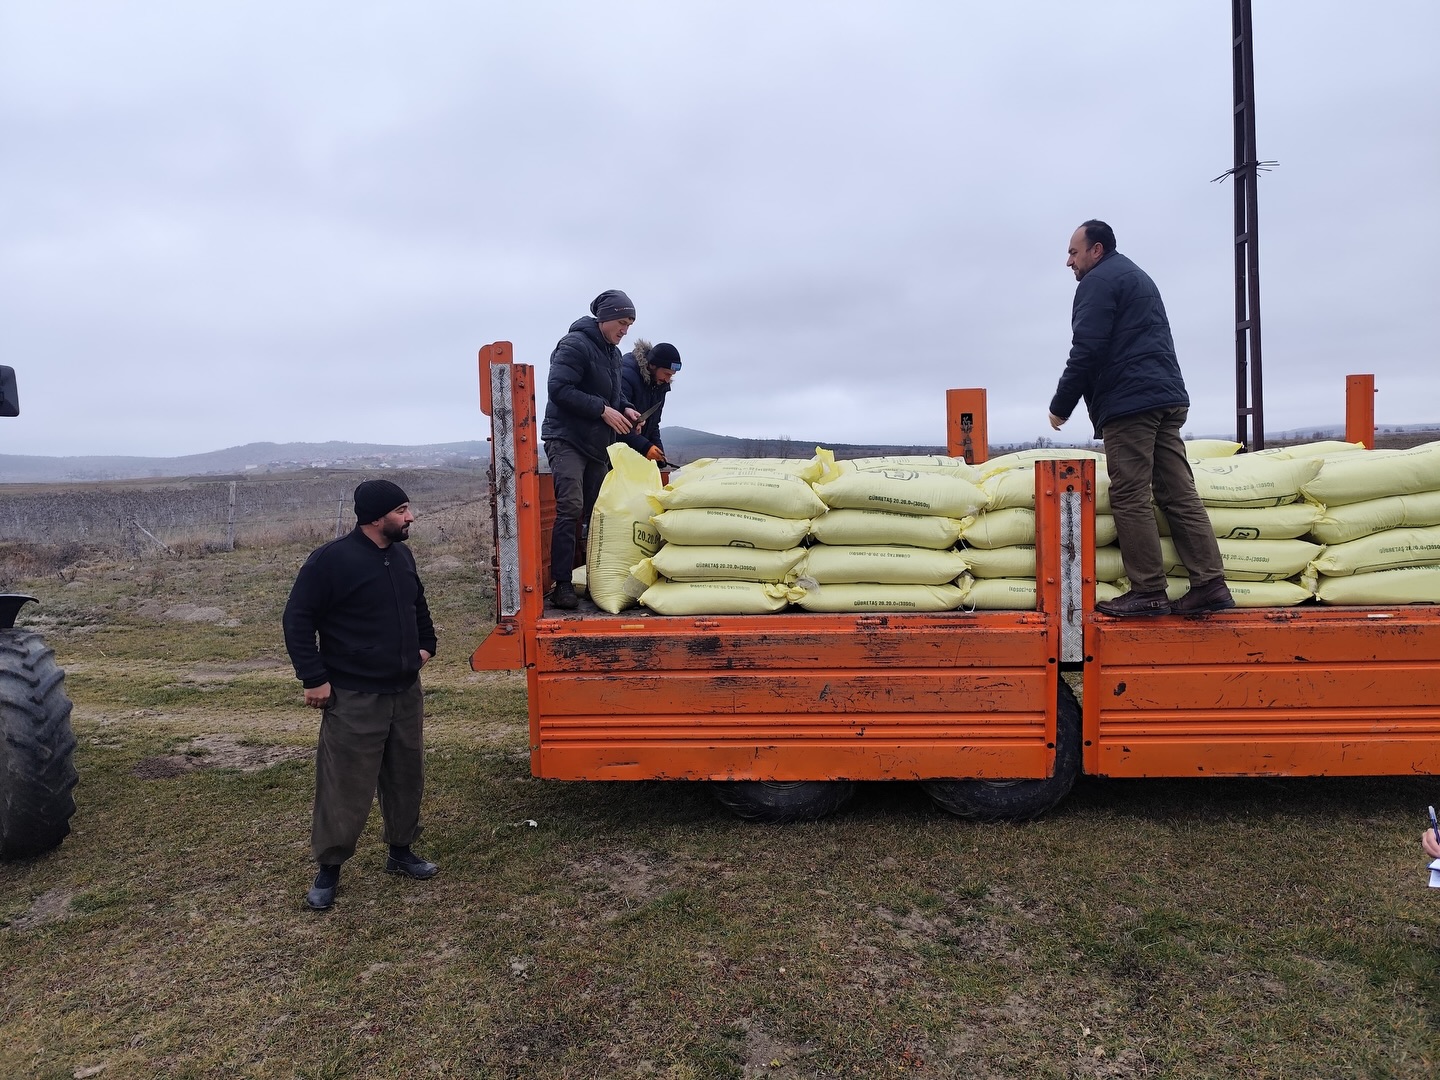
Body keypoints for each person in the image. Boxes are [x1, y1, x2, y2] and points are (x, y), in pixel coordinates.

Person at [1047, 219, 1236, 618]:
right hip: (1166, 396)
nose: (1069, 261)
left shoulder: (1097, 282)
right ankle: (1210, 585)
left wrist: (1061, 404)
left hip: (1131, 403)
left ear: (1096, 250)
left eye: (1074, 252)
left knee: (1130, 494)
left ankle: (1148, 590)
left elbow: (1088, 349)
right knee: (1178, 493)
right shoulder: (1137, 276)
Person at [282, 479, 439, 911]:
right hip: (354, 694)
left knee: (406, 775)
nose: (410, 517)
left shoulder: (401, 555)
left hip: (404, 690)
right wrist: (313, 678)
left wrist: (426, 645)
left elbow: (417, 604)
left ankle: (401, 851)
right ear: (375, 517)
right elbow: (297, 619)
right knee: (345, 783)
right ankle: (329, 868)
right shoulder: (331, 561)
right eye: (402, 510)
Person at [540, 289, 642, 610]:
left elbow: (611, 395)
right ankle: (562, 583)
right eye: (622, 323)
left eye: (629, 325)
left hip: (597, 444)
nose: (625, 331)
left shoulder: (613, 354)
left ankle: (592, 577)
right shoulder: (575, 344)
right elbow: (559, 388)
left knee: (597, 512)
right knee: (570, 507)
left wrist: (625, 408)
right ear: (606, 318)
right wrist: (602, 410)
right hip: (567, 439)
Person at [620, 340, 682, 465]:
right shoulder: (626, 374)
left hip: (633, 453)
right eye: (666, 374)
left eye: (671, 375)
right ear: (653, 365)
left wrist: (658, 452)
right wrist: (646, 448)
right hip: (612, 453)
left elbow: (653, 424)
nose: (667, 380)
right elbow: (618, 421)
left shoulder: (660, 385)